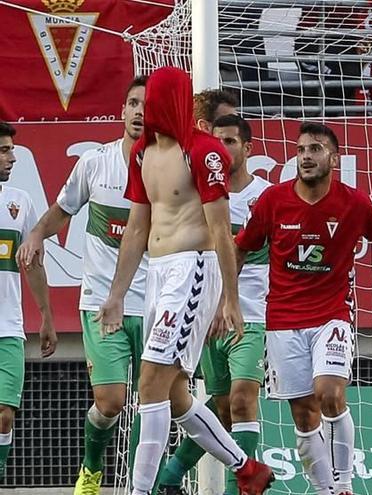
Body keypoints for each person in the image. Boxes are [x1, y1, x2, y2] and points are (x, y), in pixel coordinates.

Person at [97, 66, 273, 495]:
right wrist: (117, 295)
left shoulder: (205, 152)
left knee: (149, 383)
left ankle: (141, 491)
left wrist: (229, 299)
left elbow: (220, 231)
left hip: (193, 271)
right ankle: (246, 468)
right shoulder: (142, 153)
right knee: (175, 394)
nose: (146, 108)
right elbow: (138, 227)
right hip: (157, 274)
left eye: (153, 98)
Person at [234, 121, 372, 495]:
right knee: (304, 415)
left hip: (331, 316)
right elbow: (240, 247)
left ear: (334, 158)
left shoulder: (353, 202)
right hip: (283, 321)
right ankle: (325, 491)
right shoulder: (273, 201)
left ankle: (345, 485)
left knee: (330, 394)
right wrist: (223, 300)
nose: (305, 156)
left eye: (315, 149)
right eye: (301, 150)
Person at [16, 76, 149, 494]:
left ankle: (148, 483)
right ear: (122, 112)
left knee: (157, 404)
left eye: (147, 105)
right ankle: (92, 469)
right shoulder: (95, 164)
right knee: (110, 402)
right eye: (132, 104)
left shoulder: (169, 168)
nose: (139, 112)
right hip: (100, 301)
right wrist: (37, 233)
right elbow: (61, 210)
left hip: (157, 302)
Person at [156, 115, 269, 495]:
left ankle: (246, 485)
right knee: (220, 409)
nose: (223, 148)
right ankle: (169, 480)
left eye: (232, 142)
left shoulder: (265, 197)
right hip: (205, 318)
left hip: (249, 315)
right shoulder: (199, 193)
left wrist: (232, 300)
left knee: (241, 400)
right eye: (217, 140)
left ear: (248, 148)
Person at [0, 121, 57, 479]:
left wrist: (47, 316)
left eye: (12, 150)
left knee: (5, 413)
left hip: (8, 327)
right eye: (4, 150)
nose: (12, 157)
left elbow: (33, 265)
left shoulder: (19, 202)